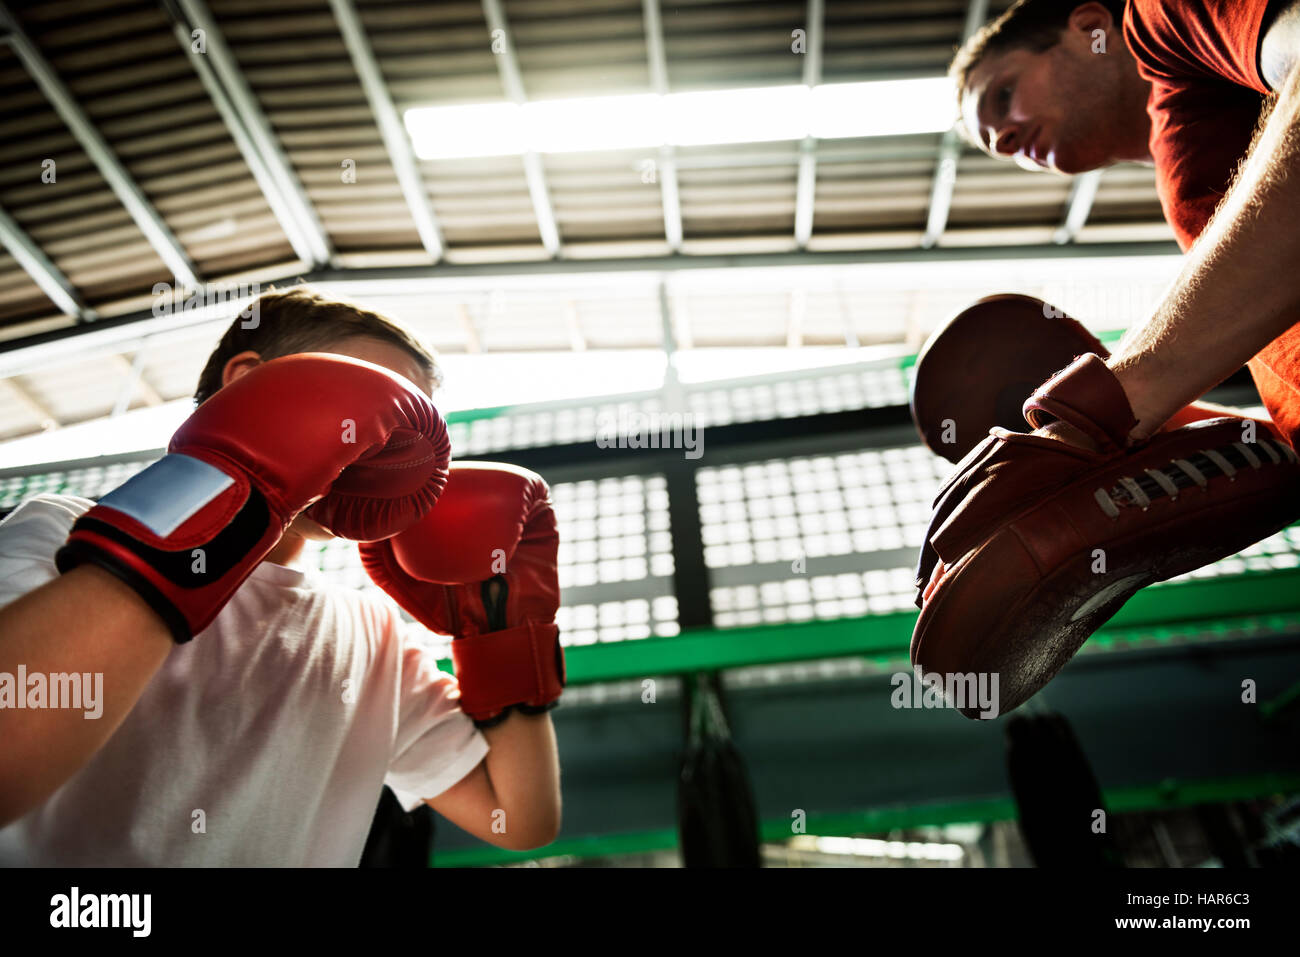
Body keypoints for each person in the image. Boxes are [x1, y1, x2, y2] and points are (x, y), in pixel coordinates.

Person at [0, 287, 562, 866]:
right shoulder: (63, 535)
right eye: (366, 397)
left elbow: (519, 818)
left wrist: (503, 633)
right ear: (246, 381)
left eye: (412, 431)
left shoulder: (373, 636)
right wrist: (224, 493)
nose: (389, 446)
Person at [951, 0, 1300, 450]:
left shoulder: (1161, 16)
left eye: (1003, 96)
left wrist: (1110, 400)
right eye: (998, 148)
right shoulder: (1192, 192)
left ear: (1090, 26)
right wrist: (1156, 432)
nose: (1004, 140)